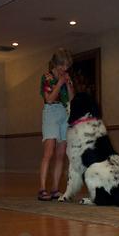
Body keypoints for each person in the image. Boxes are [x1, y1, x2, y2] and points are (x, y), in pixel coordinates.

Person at [38, 48, 75, 201]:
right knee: (49, 151)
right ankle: (42, 189)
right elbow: (49, 99)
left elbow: (71, 98)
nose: (64, 69)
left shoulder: (66, 76)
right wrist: (59, 83)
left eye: (66, 66)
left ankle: (55, 189)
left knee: (61, 153)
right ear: (55, 64)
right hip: (51, 112)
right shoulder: (47, 77)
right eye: (62, 65)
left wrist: (68, 84)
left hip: (64, 112)